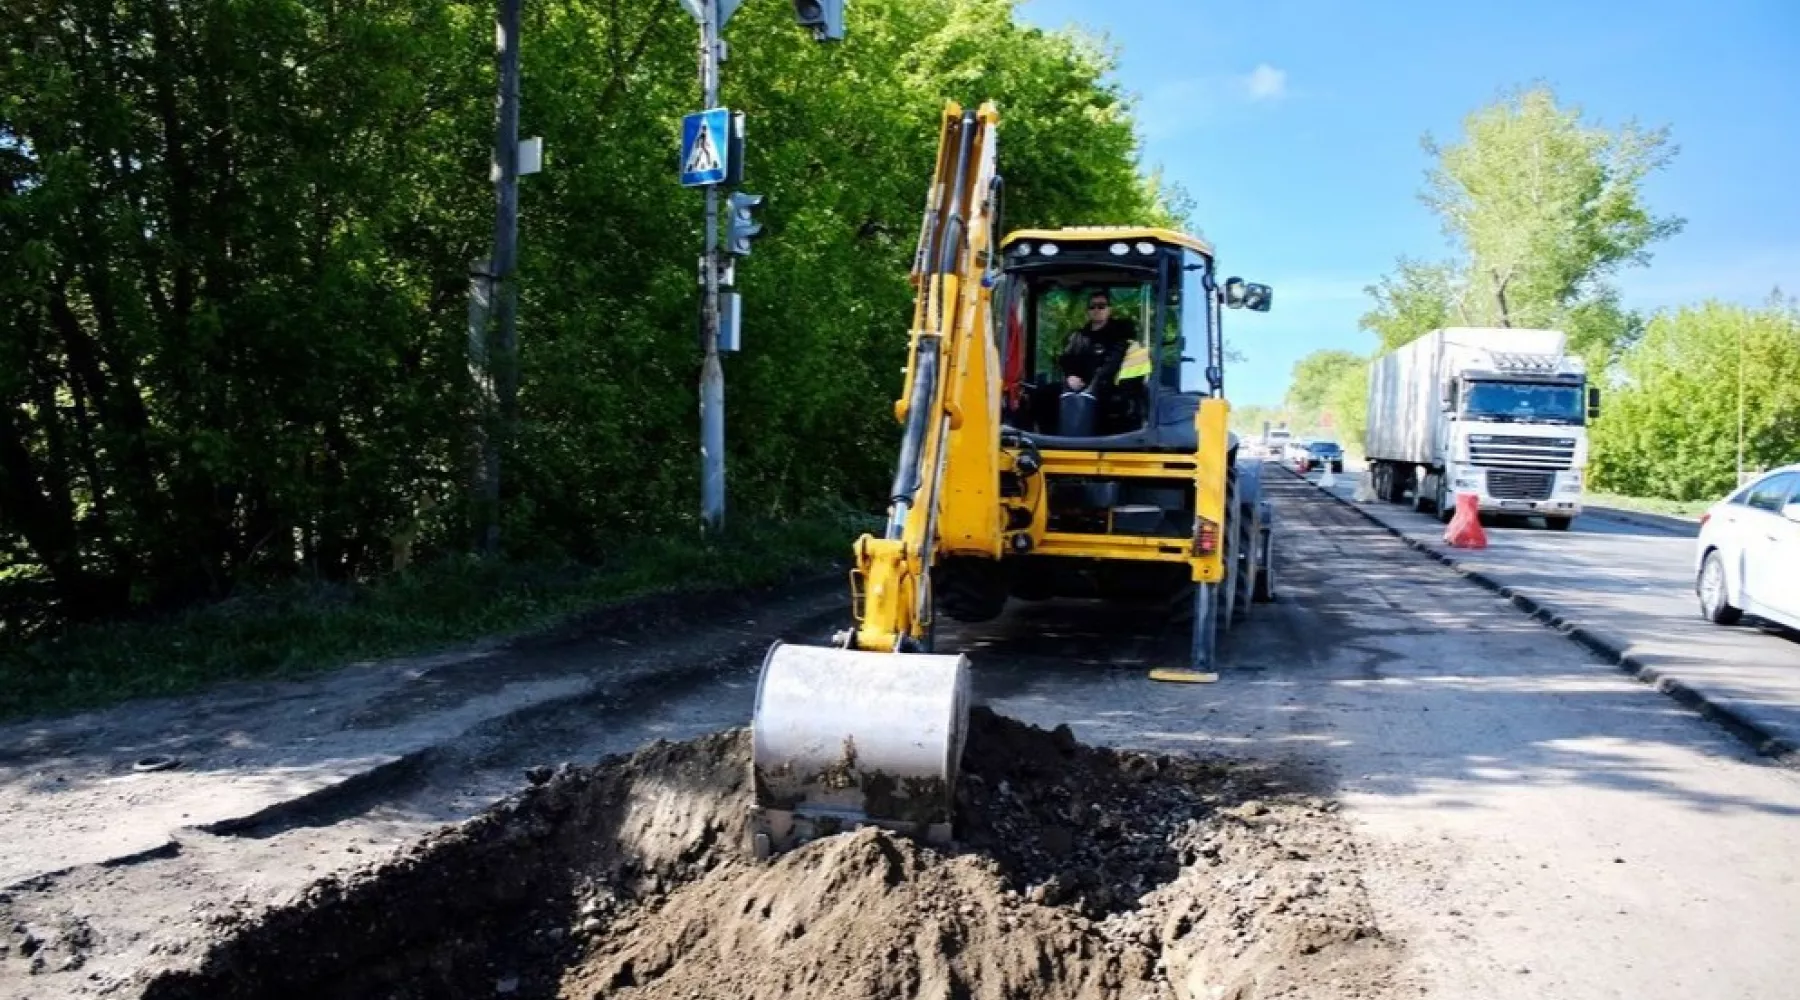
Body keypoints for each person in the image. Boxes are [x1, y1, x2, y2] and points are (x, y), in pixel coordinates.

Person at [1060, 289, 1136, 395]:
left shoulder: (1119, 335)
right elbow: (1066, 361)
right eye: (1092, 306)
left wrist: (1092, 387)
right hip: (1077, 388)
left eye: (1101, 306)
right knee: (1045, 393)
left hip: (1108, 391)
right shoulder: (1078, 337)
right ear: (1088, 311)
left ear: (1109, 309)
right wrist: (1070, 377)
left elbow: (1111, 365)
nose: (1096, 309)